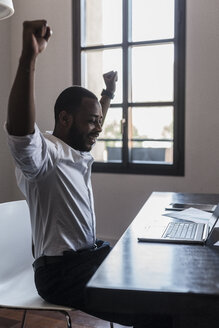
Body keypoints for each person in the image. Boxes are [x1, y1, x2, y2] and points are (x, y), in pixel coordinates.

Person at [6, 20, 173, 328]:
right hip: (60, 275)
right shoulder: (46, 156)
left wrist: (107, 93)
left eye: (99, 121)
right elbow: (20, 133)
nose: (99, 128)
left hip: (89, 258)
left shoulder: (77, 151)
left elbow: (95, 121)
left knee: (155, 281)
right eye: (92, 121)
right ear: (65, 119)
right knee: (156, 307)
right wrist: (28, 59)